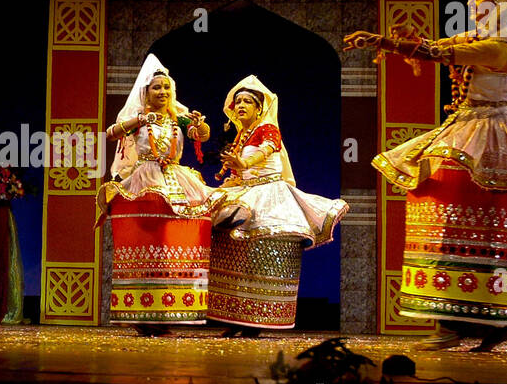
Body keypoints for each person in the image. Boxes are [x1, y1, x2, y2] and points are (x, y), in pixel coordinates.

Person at [344, 0, 507, 351]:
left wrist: (382, 41)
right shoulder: (476, 40)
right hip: (465, 127)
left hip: (492, 135)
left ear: (501, 5)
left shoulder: (499, 49)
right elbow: (434, 45)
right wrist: (388, 41)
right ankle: (448, 320)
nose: (472, 5)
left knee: (477, 223)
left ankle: (489, 321)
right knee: (440, 218)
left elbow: (434, 52)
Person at [208, 77, 349, 335]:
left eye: (247, 101)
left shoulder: (268, 128)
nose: (241, 105)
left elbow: (267, 149)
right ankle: (234, 319)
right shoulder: (241, 135)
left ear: (259, 108)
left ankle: (257, 322)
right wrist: (232, 178)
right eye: (237, 101)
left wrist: (244, 164)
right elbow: (239, 169)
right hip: (247, 192)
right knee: (235, 256)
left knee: (261, 258)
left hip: (269, 197)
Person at [97, 54, 220, 333]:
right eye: (156, 88)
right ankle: (142, 314)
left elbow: (202, 135)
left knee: (174, 245)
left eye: (166, 87)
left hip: (176, 179)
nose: (163, 92)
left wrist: (199, 124)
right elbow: (111, 133)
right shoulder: (138, 116)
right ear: (146, 92)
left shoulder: (179, 115)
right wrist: (139, 120)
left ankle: (170, 311)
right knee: (146, 242)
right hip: (144, 181)